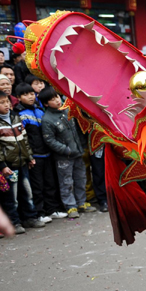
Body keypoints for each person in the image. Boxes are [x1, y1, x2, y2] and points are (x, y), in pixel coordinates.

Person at [0, 89, 44, 233]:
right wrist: (2, 166)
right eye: (2, 103)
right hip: (9, 166)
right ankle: (14, 222)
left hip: (22, 162)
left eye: (7, 102)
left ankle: (30, 217)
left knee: (27, 192)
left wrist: (29, 157)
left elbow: (24, 140)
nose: (6, 105)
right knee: (12, 196)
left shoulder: (15, 117)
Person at [40, 87, 96, 218]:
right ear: (46, 104)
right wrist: (66, 150)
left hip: (77, 151)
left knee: (80, 178)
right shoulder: (47, 119)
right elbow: (50, 140)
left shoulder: (67, 110)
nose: (57, 100)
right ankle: (70, 206)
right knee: (66, 181)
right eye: (52, 99)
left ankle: (82, 202)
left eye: (57, 97)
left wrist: (79, 147)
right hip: (63, 156)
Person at [14, 83, 66, 222]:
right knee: (37, 186)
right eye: (26, 94)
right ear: (18, 98)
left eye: (32, 93)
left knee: (50, 183)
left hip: (47, 153)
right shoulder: (19, 114)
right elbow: (23, 139)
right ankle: (40, 212)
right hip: (34, 156)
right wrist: (29, 156)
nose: (30, 97)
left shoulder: (40, 110)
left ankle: (52, 209)